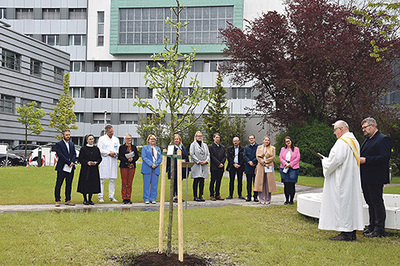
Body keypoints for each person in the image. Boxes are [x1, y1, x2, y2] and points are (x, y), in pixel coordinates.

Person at [319, 120, 364, 241]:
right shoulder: (354, 141)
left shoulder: (342, 142)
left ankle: (346, 233)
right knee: (350, 204)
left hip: (342, 179)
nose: (334, 133)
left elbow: (336, 160)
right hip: (351, 178)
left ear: (342, 129)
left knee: (343, 204)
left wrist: (325, 162)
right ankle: (351, 231)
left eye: (335, 130)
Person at [360, 117, 392, 237]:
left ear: (373, 126)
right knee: (369, 202)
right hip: (366, 176)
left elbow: (384, 157)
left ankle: (379, 230)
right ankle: (371, 226)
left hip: (376, 176)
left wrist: (366, 160)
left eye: (365, 127)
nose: (364, 130)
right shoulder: (367, 140)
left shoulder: (383, 139)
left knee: (376, 202)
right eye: (363, 128)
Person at [77, 134, 102, 205]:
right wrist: (87, 162)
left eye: (93, 139)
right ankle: (85, 199)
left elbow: (99, 158)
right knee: (85, 184)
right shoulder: (83, 149)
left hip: (94, 169)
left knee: (92, 184)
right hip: (85, 169)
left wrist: (96, 162)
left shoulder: (96, 148)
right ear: (87, 140)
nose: (92, 140)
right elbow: (80, 159)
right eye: (90, 139)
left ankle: (90, 199)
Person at [98, 124, 120, 202]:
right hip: (105, 160)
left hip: (113, 160)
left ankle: (111, 196)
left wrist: (114, 153)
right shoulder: (101, 139)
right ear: (106, 131)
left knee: (112, 179)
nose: (112, 133)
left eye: (112, 131)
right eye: (110, 132)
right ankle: (100, 196)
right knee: (102, 179)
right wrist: (108, 153)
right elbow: (100, 150)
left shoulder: (116, 139)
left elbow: (118, 149)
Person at [54, 129, 76, 207]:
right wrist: (68, 162)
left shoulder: (72, 144)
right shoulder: (58, 144)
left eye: (69, 135)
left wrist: (72, 162)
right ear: (62, 135)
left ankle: (68, 200)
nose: (68, 136)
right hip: (62, 167)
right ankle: (57, 200)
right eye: (66, 135)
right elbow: (60, 155)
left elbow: (74, 154)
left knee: (69, 184)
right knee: (59, 183)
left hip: (70, 168)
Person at [166, 134, 189, 203]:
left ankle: (178, 196)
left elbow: (186, 156)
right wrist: (179, 160)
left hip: (182, 168)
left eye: (177, 139)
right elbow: (170, 157)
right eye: (175, 139)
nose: (176, 140)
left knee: (179, 182)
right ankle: (173, 197)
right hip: (174, 167)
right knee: (174, 182)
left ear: (180, 140)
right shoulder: (171, 147)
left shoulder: (183, 147)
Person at [254, 136, 277, 204]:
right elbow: (258, 156)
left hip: (269, 166)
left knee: (268, 183)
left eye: (268, 140)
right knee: (261, 182)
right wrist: (263, 162)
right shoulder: (259, 147)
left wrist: (266, 162)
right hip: (261, 166)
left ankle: (267, 199)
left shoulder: (272, 148)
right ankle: (261, 199)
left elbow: (272, 157)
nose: (267, 141)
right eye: (265, 140)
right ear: (263, 140)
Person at [118, 134, 139, 204]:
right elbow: (120, 157)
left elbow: (137, 156)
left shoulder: (134, 147)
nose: (129, 140)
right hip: (124, 166)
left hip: (132, 166)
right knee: (124, 182)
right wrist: (127, 160)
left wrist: (132, 159)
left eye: (130, 139)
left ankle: (128, 197)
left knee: (129, 183)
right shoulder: (122, 147)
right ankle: (124, 198)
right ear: (125, 139)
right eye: (127, 139)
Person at [279, 136, 301, 205]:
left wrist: (290, 164)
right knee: (286, 184)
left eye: (288, 141)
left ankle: (291, 200)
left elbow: (297, 158)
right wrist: (285, 163)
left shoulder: (296, 149)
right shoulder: (283, 149)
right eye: (286, 141)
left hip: (293, 168)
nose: (288, 142)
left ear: (291, 141)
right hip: (284, 167)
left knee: (291, 184)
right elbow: (280, 157)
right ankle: (286, 200)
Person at [141, 134, 162, 204]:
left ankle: (153, 198)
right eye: (151, 139)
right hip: (147, 168)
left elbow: (160, 158)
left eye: (154, 139)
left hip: (156, 169)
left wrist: (155, 164)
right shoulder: (145, 148)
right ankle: (146, 198)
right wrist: (151, 164)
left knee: (154, 185)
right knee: (146, 185)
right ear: (148, 140)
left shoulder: (158, 149)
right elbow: (144, 157)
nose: (152, 140)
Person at [190, 131, 209, 202]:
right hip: (196, 165)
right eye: (198, 136)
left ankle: (201, 195)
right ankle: (195, 196)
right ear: (195, 137)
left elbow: (208, 154)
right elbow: (192, 154)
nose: (199, 137)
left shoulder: (205, 145)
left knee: (202, 180)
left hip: (204, 165)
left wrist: (206, 161)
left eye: (201, 136)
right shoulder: (193, 145)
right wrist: (198, 161)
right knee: (196, 180)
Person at [208, 133, 226, 201]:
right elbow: (212, 156)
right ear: (213, 138)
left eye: (218, 137)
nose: (217, 139)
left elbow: (225, 156)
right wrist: (218, 163)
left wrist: (222, 163)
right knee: (213, 181)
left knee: (219, 181)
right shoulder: (211, 147)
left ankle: (217, 194)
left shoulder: (222, 147)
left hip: (221, 167)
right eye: (216, 137)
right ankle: (212, 195)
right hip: (214, 167)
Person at [244, 134, 259, 202]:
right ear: (248, 140)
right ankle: (249, 196)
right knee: (248, 183)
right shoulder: (246, 147)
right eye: (250, 139)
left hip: (255, 166)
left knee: (255, 182)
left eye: (252, 138)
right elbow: (244, 155)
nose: (251, 140)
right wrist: (249, 162)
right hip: (248, 167)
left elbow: (258, 155)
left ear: (255, 139)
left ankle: (255, 196)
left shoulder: (258, 147)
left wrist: (253, 161)